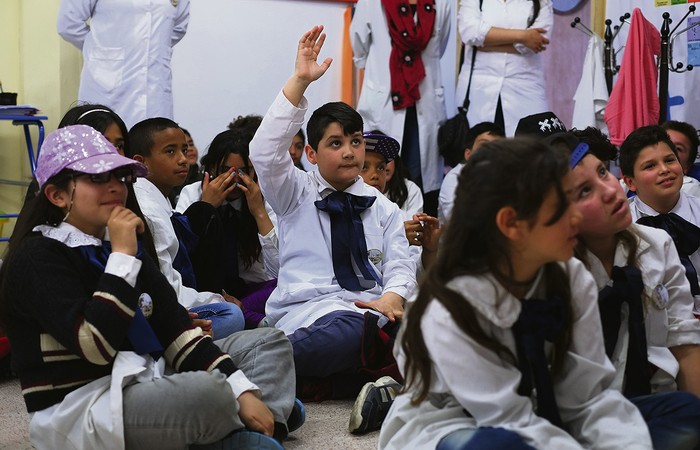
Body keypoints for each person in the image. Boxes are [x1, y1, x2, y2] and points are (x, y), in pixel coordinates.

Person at [0, 125, 295, 449]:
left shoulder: (118, 242)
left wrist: (240, 389)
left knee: (270, 342)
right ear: (57, 195)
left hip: (149, 374)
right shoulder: (36, 255)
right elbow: (95, 345)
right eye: (98, 178)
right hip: (87, 407)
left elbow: (176, 329)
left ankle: (236, 425)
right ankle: (244, 425)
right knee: (210, 392)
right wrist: (122, 258)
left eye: (120, 177)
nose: (115, 187)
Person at [379, 137, 653, 449]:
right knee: (502, 445)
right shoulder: (450, 308)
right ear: (511, 223)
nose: (575, 216)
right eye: (560, 206)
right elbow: (510, 419)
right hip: (460, 424)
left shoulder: (572, 276)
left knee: (681, 414)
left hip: (544, 414)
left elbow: (588, 397)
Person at [249, 26, 416, 427]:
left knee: (426, 329)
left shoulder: (383, 206)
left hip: (372, 310)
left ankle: (353, 383)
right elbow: (264, 153)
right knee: (352, 333)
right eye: (335, 143)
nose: (349, 152)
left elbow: (401, 263)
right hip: (310, 314)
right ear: (310, 152)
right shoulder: (295, 192)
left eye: (356, 142)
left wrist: (393, 296)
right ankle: (251, 363)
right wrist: (300, 81)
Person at [555, 130, 700, 450]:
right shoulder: (557, 271)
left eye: (604, 172)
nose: (609, 191)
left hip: (651, 398)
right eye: (583, 191)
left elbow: (682, 335)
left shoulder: (656, 243)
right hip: (578, 410)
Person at [129, 118, 245, 339]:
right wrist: (216, 300)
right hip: (163, 308)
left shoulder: (158, 199)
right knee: (232, 314)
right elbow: (168, 289)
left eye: (184, 149)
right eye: (170, 152)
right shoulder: (151, 210)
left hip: (173, 301)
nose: (183, 160)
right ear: (140, 163)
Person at [350, 0, 453, 217]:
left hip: (423, 99)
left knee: (419, 180)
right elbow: (358, 43)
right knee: (375, 176)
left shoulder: (441, 3)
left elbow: (440, 45)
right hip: (385, 99)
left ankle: (416, 241)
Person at [176, 127, 279, 329]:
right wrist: (205, 207)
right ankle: (253, 319)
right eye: (225, 170)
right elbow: (182, 257)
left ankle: (247, 314)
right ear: (212, 168)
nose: (234, 178)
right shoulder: (193, 193)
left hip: (253, 290)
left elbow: (280, 263)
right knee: (225, 310)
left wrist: (258, 210)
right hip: (207, 292)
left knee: (289, 287)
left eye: (243, 171)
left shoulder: (264, 196)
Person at [56, 0, 190, 129]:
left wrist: (147, 52)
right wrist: (101, 51)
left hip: (156, 87)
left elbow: (179, 26)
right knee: (104, 142)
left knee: (154, 141)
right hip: (106, 84)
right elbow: (68, 24)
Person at [620, 125, 700, 316]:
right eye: (650, 166)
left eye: (670, 160)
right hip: (653, 322)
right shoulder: (623, 225)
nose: (664, 170)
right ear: (630, 182)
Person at [456, 0, 553, 137]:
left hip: (525, 89)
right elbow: (469, 31)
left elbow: (538, 41)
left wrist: (484, 44)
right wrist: (523, 36)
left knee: (527, 151)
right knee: (482, 150)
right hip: (479, 90)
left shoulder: (541, 2)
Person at [438, 121, 504, 223]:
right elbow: (459, 220)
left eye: (497, 147)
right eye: (484, 146)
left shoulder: (508, 178)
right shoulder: (454, 179)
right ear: (468, 154)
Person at [661, 120, 700, 197]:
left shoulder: (690, 188)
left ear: (687, 166)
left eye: (678, 148)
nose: (668, 150)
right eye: (665, 143)